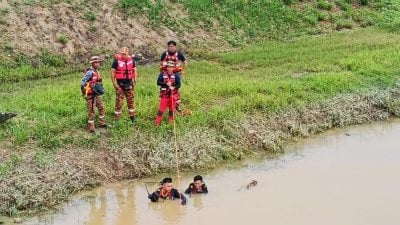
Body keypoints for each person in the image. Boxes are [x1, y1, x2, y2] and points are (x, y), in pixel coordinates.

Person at [80, 56, 108, 134]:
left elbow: (98, 82)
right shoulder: (90, 72)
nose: (99, 64)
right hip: (91, 95)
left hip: (96, 94)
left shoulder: (97, 71)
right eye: (98, 62)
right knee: (91, 111)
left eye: (99, 62)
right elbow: (82, 83)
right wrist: (85, 93)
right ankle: (91, 128)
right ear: (94, 63)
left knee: (101, 107)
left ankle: (102, 123)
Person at [111, 47, 137, 123]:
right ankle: (116, 119)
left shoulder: (132, 60)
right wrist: (114, 83)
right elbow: (112, 72)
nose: (123, 55)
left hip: (129, 84)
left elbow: (135, 70)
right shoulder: (116, 61)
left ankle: (132, 117)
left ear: (128, 53)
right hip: (120, 85)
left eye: (125, 54)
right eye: (122, 53)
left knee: (131, 101)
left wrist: (135, 80)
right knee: (119, 102)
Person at [160, 40, 187, 112]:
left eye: (172, 46)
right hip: (166, 75)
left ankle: (177, 107)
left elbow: (185, 62)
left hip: (176, 75)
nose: (170, 48)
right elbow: (161, 64)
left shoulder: (179, 54)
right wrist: (161, 74)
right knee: (165, 90)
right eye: (169, 46)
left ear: (175, 47)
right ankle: (164, 105)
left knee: (176, 90)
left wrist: (183, 71)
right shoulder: (164, 54)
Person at [155, 61, 181, 126]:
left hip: (173, 95)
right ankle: (157, 122)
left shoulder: (176, 75)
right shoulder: (162, 74)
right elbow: (158, 83)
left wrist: (174, 87)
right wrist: (166, 84)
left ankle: (171, 121)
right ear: (166, 67)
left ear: (173, 68)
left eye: (171, 67)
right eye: (169, 67)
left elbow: (179, 85)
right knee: (161, 109)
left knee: (172, 109)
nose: (170, 68)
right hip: (164, 96)